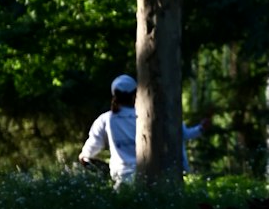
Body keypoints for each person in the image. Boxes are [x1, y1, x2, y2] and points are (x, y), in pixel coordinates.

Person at [80, 75, 211, 183]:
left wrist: (84, 158)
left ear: (114, 95)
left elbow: (89, 151)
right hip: (154, 178)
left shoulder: (105, 120)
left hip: (122, 180)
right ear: (135, 94)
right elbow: (182, 134)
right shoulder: (151, 116)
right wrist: (200, 128)